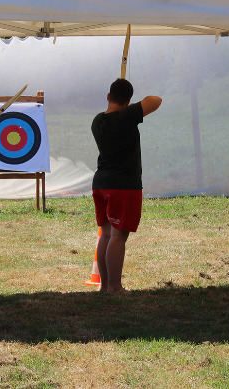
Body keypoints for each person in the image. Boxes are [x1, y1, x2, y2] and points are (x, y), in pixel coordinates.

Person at [90, 78, 162, 294]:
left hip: (101, 183)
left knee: (106, 234)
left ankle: (104, 285)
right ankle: (114, 287)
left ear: (108, 96)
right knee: (118, 236)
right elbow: (156, 100)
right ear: (128, 101)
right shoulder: (125, 118)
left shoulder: (97, 120)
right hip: (123, 185)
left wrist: (129, 109)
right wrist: (131, 109)